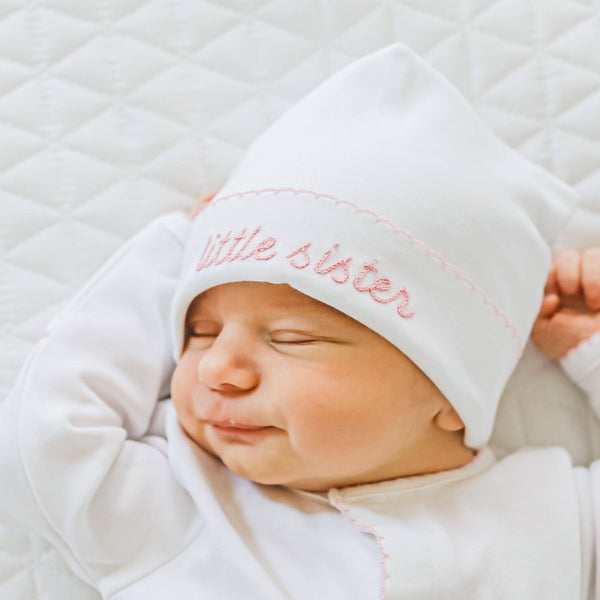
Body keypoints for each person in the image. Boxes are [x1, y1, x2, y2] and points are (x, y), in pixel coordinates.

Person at [1, 42, 599, 599]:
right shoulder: (181, 509)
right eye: (198, 331)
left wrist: (589, 349)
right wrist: (177, 251)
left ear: (451, 388)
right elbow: (43, 437)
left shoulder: (555, 517)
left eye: (290, 338)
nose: (218, 368)